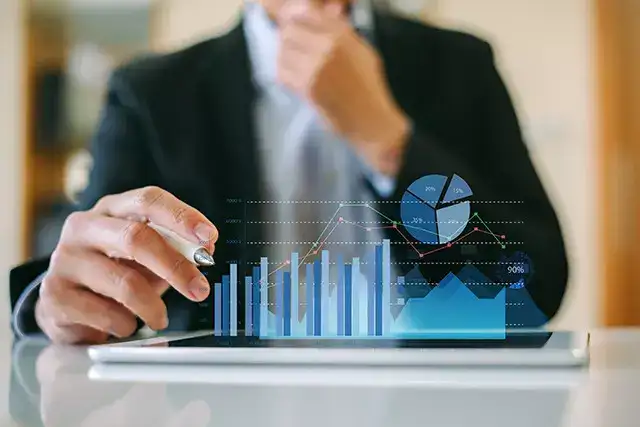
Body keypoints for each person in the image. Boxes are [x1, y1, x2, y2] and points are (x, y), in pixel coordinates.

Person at [10, 0, 568, 344]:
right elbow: (85, 253)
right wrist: (57, 297)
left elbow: (535, 286)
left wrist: (389, 139)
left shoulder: (462, 65)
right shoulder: (152, 92)